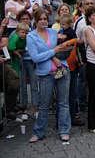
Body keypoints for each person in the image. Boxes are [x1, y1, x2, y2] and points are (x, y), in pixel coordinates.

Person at [27, 8, 72, 143]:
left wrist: (61, 49)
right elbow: (35, 58)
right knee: (44, 105)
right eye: (40, 19)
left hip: (62, 70)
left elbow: (63, 48)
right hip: (46, 74)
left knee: (63, 103)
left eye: (45, 19)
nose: (43, 21)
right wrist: (53, 52)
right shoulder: (31, 36)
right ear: (35, 20)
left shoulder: (53, 32)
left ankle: (64, 130)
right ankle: (39, 132)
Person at [16, 11, 38, 117]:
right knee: (22, 85)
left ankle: (36, 108)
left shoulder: (34, 32)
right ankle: (23, 108)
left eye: (27, 19)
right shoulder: (15, 33)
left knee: (34, 85)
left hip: (32, 60)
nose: (25, 21)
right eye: (23, 19)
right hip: (21, 61)